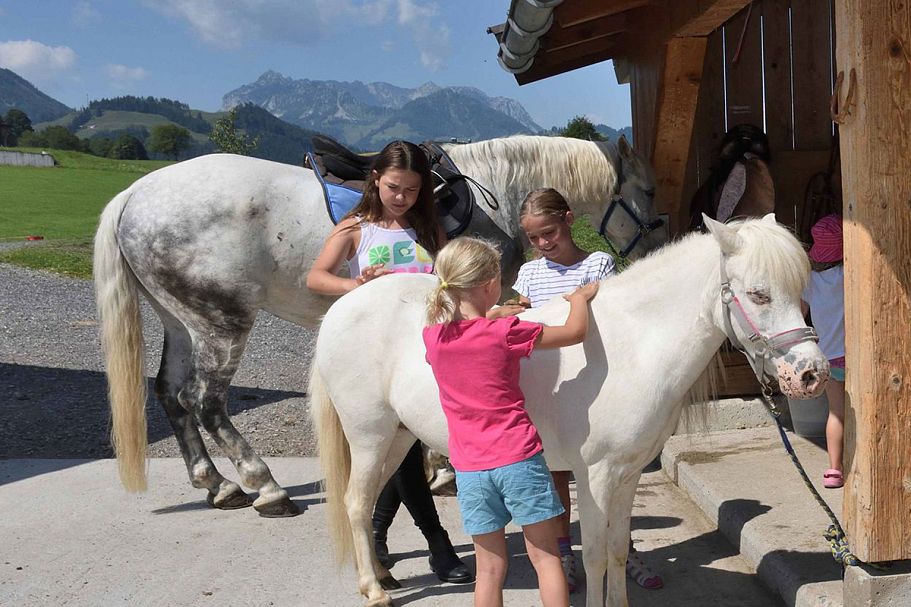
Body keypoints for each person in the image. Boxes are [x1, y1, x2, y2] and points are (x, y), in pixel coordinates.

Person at [306, 140, 472, 584]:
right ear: (376, 179)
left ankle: (376, 538)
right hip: (378, 350)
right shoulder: (356, 228)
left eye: (412, 191)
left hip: (429, 350)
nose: (402, 197)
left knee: (401, 450)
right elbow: (316, 276)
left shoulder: (429, 231)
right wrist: (355, 285)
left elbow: (453, 279)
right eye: (394, 187)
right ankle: (435, 546)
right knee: (399, 449)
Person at [423, 236, 599, 607]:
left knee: (489, 570)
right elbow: (574, 332)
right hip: (518, 459)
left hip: (470, 469)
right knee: (546, 558)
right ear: (491, 285)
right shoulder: (505, 332)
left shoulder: (433, 338)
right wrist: (579, 300)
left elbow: (467, 333)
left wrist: (489, 315)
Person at [510, 188, 663, 592]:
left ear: (568, 219)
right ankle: (565, 555)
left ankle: (622, 552)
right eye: (534, 238)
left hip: (596, 384)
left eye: (549, 233)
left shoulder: (598, 264)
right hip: (549, 387)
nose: (543, 244)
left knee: (607, 479)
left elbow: (615, 319)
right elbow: (522, 316)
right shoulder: (529, 273)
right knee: (555, 476)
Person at [800, 214, 846, 489]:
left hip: (829, 357)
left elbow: (801, 313)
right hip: (857, 355)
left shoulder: (811, 281)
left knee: (836, 413)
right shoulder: (848, 275)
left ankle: (834, 470)